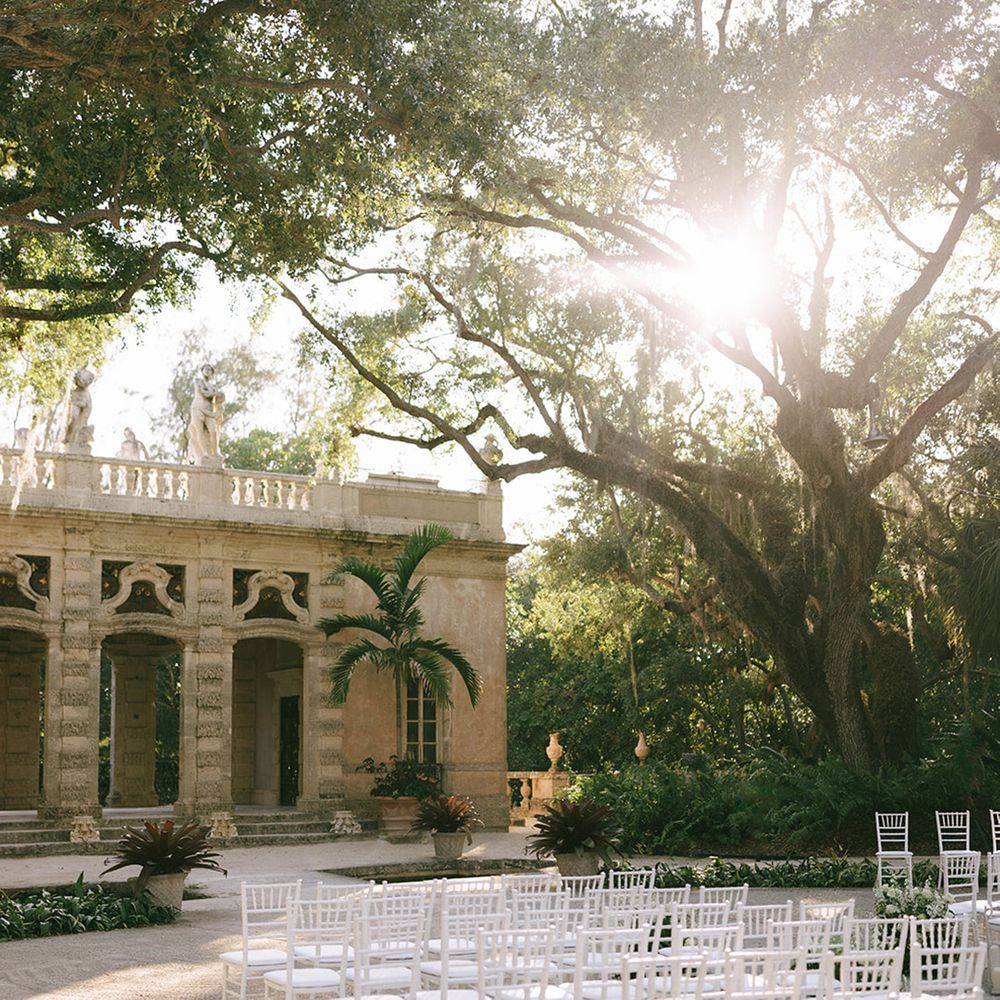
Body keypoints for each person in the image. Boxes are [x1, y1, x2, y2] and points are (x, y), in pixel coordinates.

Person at [187, 364, 225, 463]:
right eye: (206, 369)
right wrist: (216, 393)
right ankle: (204, 453)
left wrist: (220, 397)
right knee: (199, 431)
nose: (208, 371)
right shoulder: (198, 381)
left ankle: (215, 452)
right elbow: (205, 393)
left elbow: (219, 400)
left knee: (214, 431)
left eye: (210, 370)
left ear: (212, 373)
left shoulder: (213, 387)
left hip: (209, 411)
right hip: (197, 408)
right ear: (202, 371)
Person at [63, 367, 96, 446]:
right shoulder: (76, 391)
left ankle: (79, 440)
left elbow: (84, 384)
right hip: (76, 399)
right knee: (74, 418)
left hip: (85, 401)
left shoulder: (90, 376)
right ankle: (69, 437)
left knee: (83, 422)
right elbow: (78, 384)